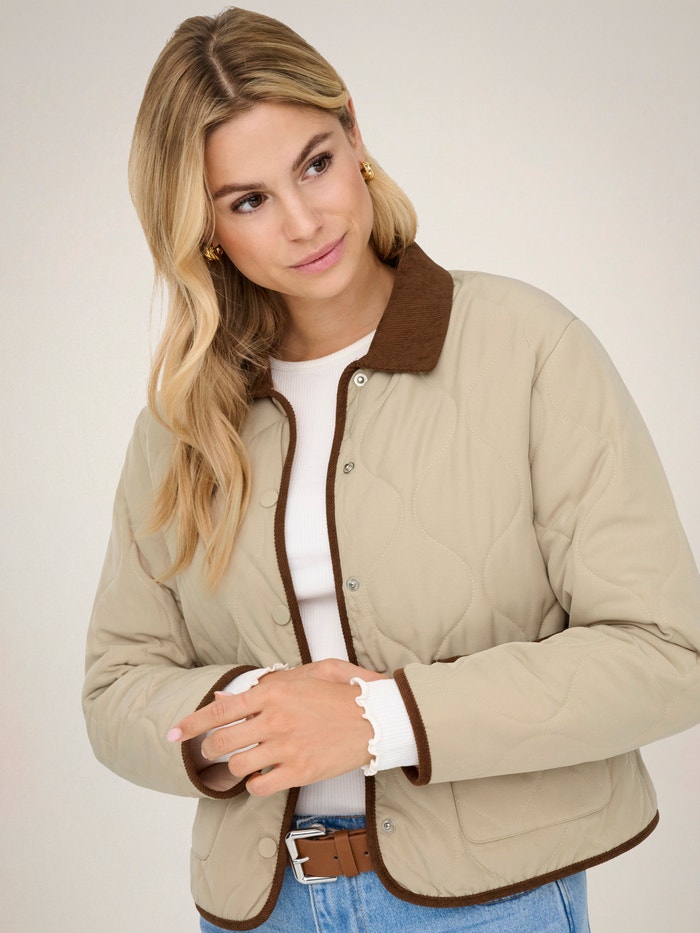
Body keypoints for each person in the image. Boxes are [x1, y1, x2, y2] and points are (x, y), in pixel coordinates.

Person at [82, 7, 700, 932]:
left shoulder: (526, 347)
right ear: (203, 228)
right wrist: (254, 708)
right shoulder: (181, 427)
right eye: (248, 201)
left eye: (315, 163)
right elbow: (116, 686)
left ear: (355, 134)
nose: (303, 222)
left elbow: (666, 651)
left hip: (492, 903)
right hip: (266, 907)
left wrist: (381, 719)